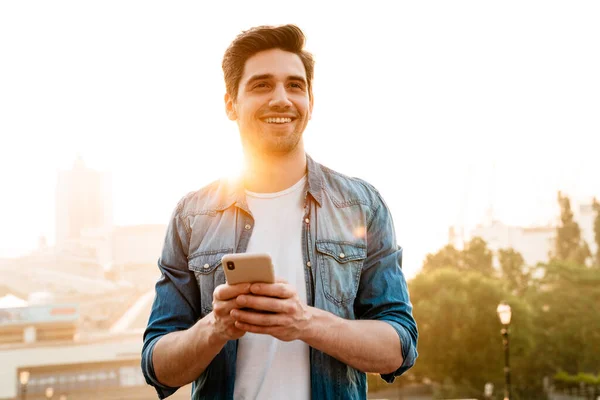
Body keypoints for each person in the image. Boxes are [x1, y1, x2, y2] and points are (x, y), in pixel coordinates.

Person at [141, 24, 418, 400]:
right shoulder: (192, 216)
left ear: (310, 102)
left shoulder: (362, 205)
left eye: (295, 85)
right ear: (230, 104)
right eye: (261, 85)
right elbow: (157, 367)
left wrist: (304, 322)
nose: (281, 99)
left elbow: (399, 348)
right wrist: (215, 327)